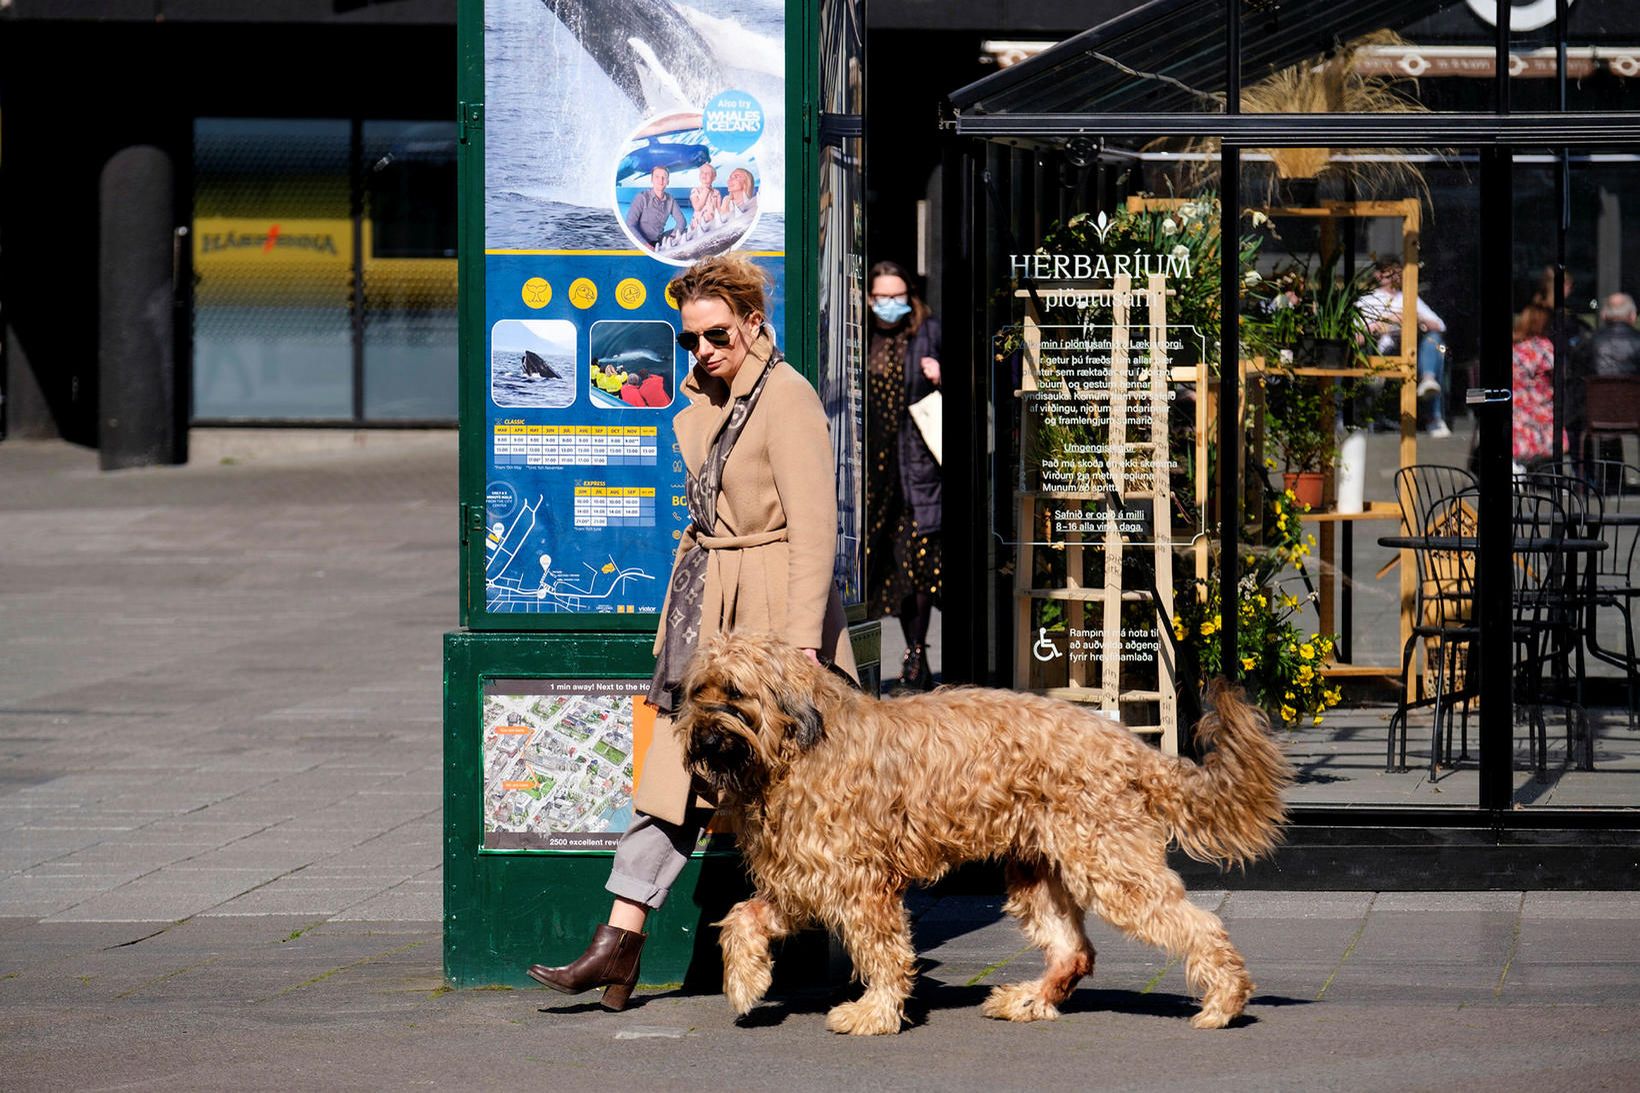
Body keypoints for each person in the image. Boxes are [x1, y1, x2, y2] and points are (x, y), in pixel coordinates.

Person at [525, 253, 856, 1009]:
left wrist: (805, 642)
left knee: (814, 790)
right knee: (676, 775)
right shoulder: (717, 397)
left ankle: (867, 935)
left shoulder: (789, 397)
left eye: (716, 336)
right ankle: (619, 938)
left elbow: (815, 528)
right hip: (712, 609)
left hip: (773, 616)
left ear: (752, 324)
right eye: (689, 340)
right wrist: (703, 397)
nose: (703, 350)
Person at [865, 260, 942, 691]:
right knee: (881, 569)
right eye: (882, 298)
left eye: (898, 297)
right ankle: (874, 661)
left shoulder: (927, 332)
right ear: (870, 298)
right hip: (873, 476)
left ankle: (916, 656)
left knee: (917, 567)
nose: (890, 305)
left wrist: (940, 374)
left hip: (915, 466)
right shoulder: (861, 334)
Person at [1357, 259, 1450, 437]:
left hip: (1413, 350)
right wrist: (1383, 322)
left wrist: (1417, 319)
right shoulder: (1367, 300)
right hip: (1383, 350)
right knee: (1433, 347)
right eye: (1389, 272)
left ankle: (1430, 391)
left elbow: (1440, 325)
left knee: (1435, 341)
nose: (1395, 276)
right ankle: (1432, 413)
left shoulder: (1409, 298)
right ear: (1378, 275)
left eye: (1398, 272)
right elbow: (1357, 337)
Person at [1571, 292, 1640, 462]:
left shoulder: (1588, 343)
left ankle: (1587, 478)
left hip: (1595, 415)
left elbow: (1576, 377)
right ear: (1632, 316)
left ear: (1603, 315)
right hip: (1634, 415)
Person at [1513, 303, 1558, 468]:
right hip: (1535, 404)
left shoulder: (1515, 346)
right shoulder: (1543, 346)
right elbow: (1556, 372)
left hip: (1514, 403)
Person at [626, 165, 684, 248]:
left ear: (668, 181)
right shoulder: (641, 198)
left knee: (684, 232)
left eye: (664, 177)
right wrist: (645, 245)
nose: (661, 180)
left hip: (658, 241)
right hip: (641, 242)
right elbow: (630, 224)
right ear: (652, 180)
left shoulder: (670, 200)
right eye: (657, 177)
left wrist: (673, 237)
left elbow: (681, 221)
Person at [689, 162, 721, 230]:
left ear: (714, 177)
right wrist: (706, 191)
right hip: (698, 224)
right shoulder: (695, 191)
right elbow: (697, 207)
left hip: (712, 224)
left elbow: (719, 211)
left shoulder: (716, 193)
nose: (704, 174)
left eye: (708, 173)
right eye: (702, 172)